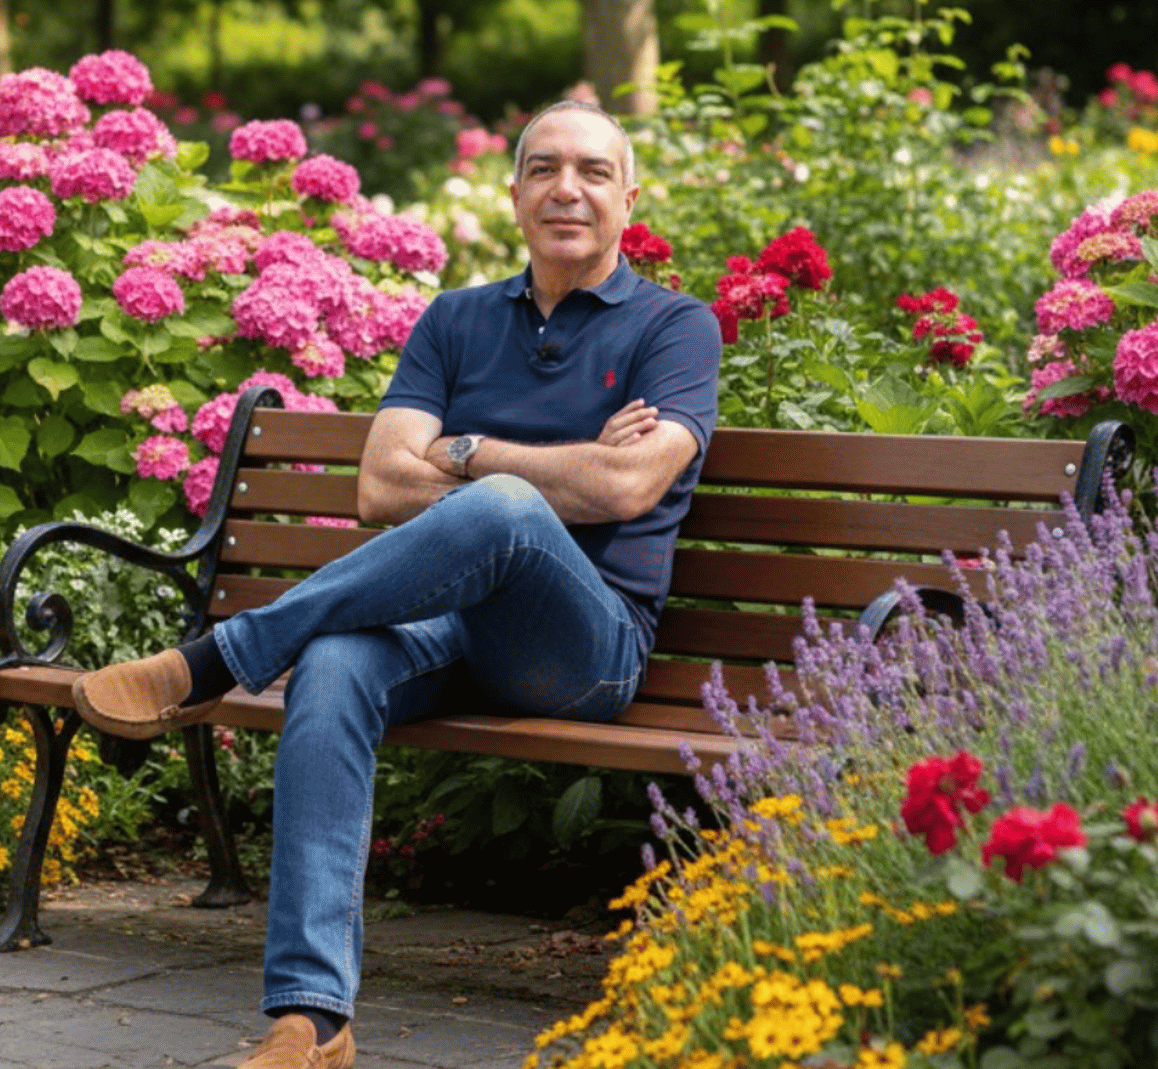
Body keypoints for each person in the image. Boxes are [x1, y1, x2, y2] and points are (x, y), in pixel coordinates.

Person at [71, 99, 722, 1069]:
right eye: (543, 168)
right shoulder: (457, 321)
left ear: (630, 195)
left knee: (501, 507)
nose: (567, 189)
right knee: (334, 661)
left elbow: (628, 483)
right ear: (513, 194)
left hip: (583, 647)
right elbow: (380, 484)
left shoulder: (676, 329)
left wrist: (463, 455)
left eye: (592, 171)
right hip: (449, 629)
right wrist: (560, 464)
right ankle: (312, 1017)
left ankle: (223, 656)